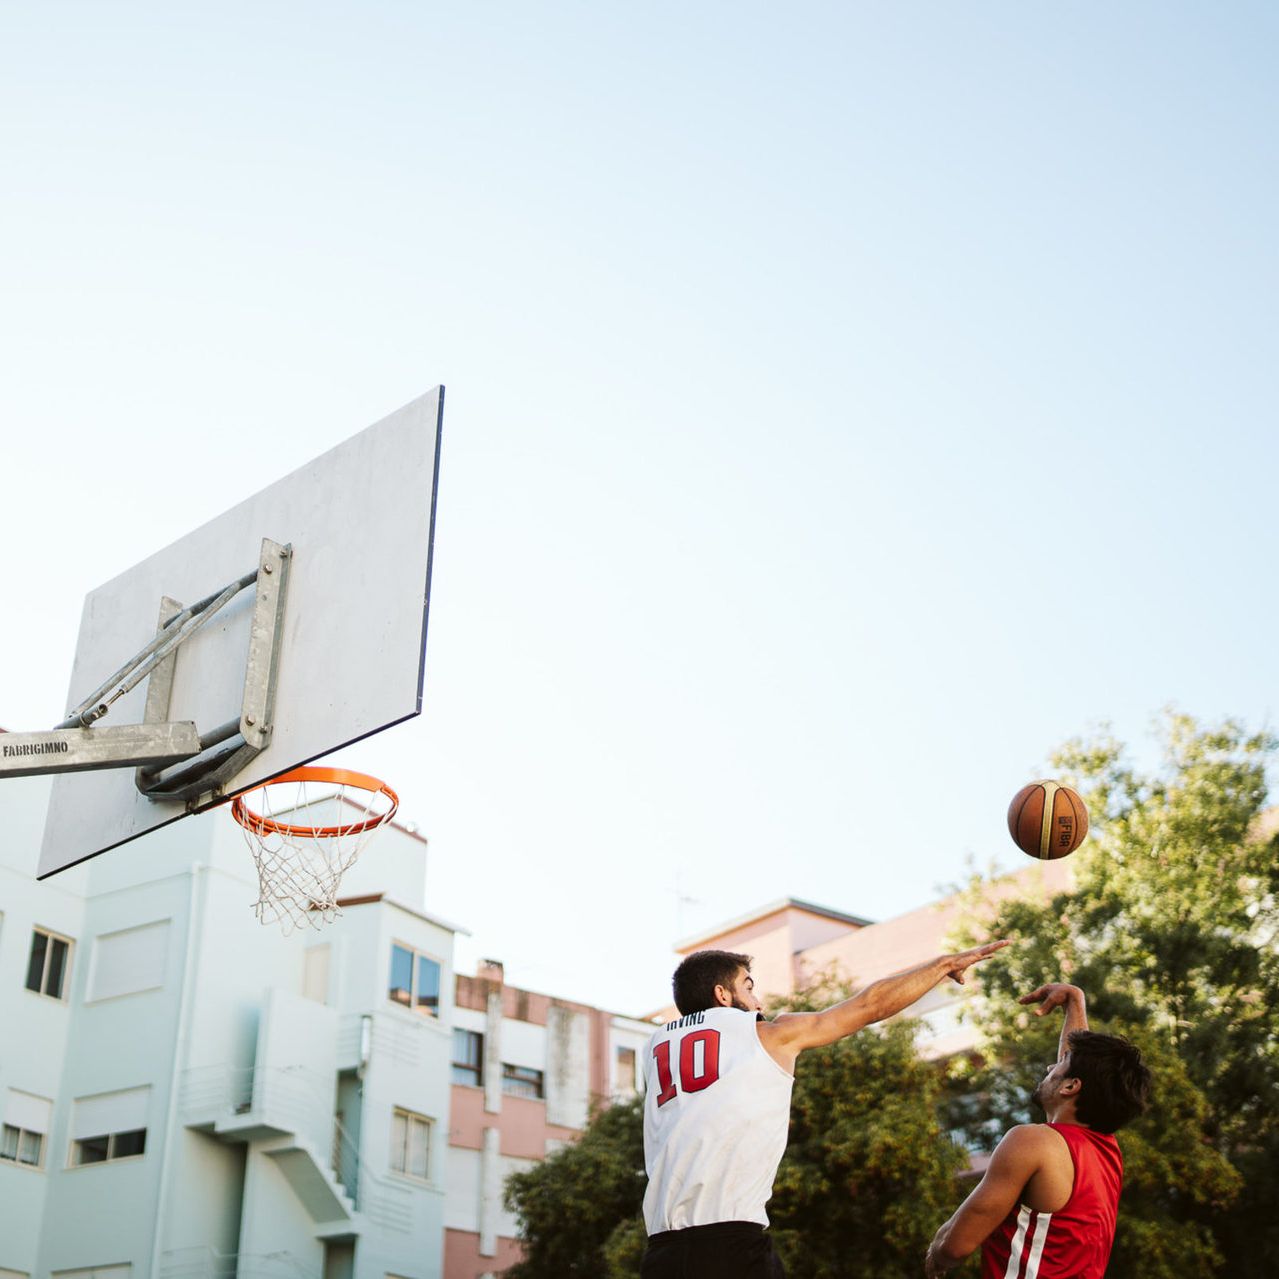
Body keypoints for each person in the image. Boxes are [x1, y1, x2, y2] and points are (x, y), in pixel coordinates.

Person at [640, 939, 1011, 1279]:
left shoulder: (655, 1050)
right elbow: (869, 1006)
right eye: (749, 987)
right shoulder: (765, 1034)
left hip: (662, 1251)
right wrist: (943, 966)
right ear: (722, 994)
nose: (759, 1003)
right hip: (730, 1241)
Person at [924, 982, 1152, 1278]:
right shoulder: (1105, 1150)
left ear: (1071, 1086)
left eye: (1061, 1063)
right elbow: (1080, 1067)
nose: (1049, 1067)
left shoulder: (1032, 1142)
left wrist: (936, 1253)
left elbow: (955, 1246)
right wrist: (1074, 1002)